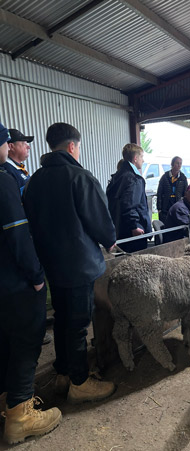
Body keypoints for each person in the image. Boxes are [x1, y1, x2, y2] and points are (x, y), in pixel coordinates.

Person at [23, 122, 117, 403]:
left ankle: (63, 373)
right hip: (78, 265)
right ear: (73, 146)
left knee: (62, 320)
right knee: (77, 325)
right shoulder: (80, 177)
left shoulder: (35, 180)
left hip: (51, 264)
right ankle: (79, 382)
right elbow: (100, 220)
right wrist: (109, 240)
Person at [0, 122, 61, 445]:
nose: (12, 147)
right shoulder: (3, 181)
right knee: (25, 342)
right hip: (14, 282)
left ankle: (5, 403)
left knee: (4, 341)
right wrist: (37, 277)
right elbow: (17, 234)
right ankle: (20, 417)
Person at [1, 128, 52, 345]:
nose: (28, 146)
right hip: (20, 247)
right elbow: (16, 226)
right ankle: (33, 332)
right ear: (10, 146)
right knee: (34, 287)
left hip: (28, 241)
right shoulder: (7, 175)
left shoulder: (20, 171)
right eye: (24, 143)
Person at [106, 143, 151, 253]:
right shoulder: (133, 179)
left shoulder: (117, 177)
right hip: (133, 232)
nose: (143, 160)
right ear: (135, 158)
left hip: (119, 228)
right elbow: (129, 204)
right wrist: (134, 225)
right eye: (142, 157)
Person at [0, 128, 33, 195]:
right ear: (11, 147)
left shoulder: (17, 167)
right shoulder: (7, 170)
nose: (28, 147)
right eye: (24, 143)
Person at [156, 156, 188, 223]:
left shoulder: (183, 177)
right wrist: (159, 208)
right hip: (166, 203)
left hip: (177, 202)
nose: (179, 165)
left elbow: (186, 193)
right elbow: (159, 193)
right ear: (172, 164)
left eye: (180, 163)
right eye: (177, 163)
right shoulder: (165, 177)